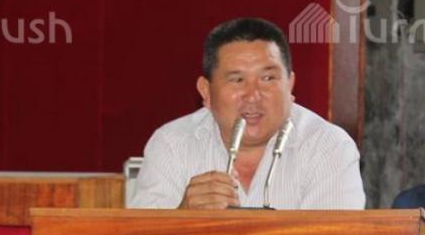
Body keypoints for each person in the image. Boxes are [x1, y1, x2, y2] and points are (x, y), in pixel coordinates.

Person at [130, 17, 365, 210]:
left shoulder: (328, 146)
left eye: (268, 78)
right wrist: (182, 217)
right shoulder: (171, 144)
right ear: (206, 92)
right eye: (237, 80)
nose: (253, 95)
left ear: (290, 85)